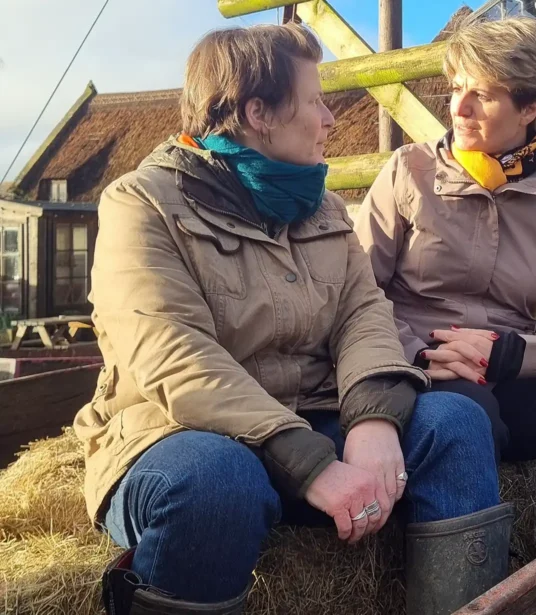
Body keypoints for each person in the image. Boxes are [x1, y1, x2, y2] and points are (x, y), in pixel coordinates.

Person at [75, 24, 509, 615]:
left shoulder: (322, 207)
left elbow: (363, 313)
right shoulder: (141, 202)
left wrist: (373, 420)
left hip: (313, 418)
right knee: (218, 483)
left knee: (454, 422)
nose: (330, 119)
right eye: (315, 102)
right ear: (259, 113)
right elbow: (171, 354)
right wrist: (310, 464)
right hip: (176, 433)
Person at [355, 17, 536, 544]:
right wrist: (420, 353)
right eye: (456, 89)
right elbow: (357, 292)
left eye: (483, 95)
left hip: (508, 372)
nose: (459, 108)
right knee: (470, 417)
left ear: (530, 108)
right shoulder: (409, 172)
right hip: (418, 373)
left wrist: (516, 355)